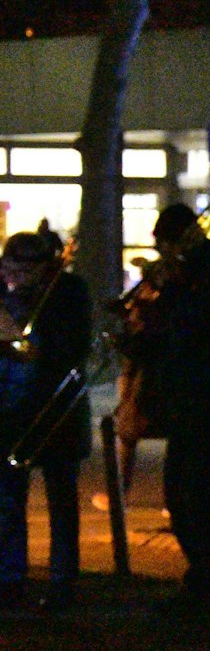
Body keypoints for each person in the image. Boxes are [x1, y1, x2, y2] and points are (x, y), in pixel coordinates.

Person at [120, 204, 210, 613]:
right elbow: (166, 337)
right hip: (184, 395)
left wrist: (168, 293)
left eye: (166, 244)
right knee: (179, 494)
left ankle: (209, 583)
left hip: (208, 395)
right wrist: (133, 337)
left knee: (192, 492)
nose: (164, 252)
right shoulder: (189, 273)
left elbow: (202, 321)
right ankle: (201, 578)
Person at [0, 232, 90, 611]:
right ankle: (9, 580)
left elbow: (75, 344)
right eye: (10, 267)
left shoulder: (66, 291)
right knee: (7, 501)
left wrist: (36, 348)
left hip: (56, 411)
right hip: (8, 412)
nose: (16, 276)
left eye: (26, 269)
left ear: (44, 267)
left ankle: (62, 582)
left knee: (62, 500)